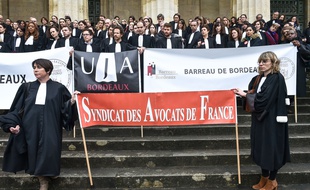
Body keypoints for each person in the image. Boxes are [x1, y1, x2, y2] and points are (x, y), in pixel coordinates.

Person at [0, 58, 78, 190]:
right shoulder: (27, 87)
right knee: (34, 151)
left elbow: (64, 108)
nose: (35, 70)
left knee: (50, 150)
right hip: (30, 126)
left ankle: (50, 172)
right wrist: (12, 125)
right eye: (34, 67)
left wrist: (71, 102)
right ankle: (43, 180)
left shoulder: (59, 88)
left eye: (39, 67)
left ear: (48, 70)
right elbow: (16, 109)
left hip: (51, 125)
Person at [233, 51, 290, 190]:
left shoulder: (277, 78)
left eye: (265, 61)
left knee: (272, 148)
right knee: (261, 147)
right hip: (260, 119)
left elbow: (264, 99)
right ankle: (264, 177)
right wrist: (245, 93)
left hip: (272, 120)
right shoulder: (257, 78)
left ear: (273, 63)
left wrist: (245, 94)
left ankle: (272, 180)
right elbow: (254, 94)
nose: (261, 64)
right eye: (260, 61)